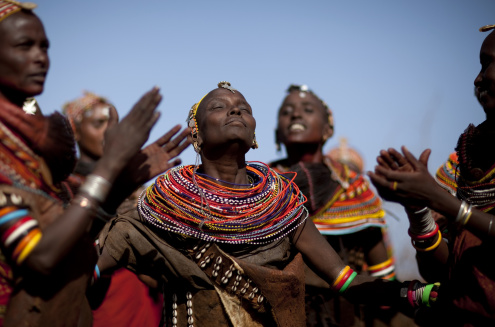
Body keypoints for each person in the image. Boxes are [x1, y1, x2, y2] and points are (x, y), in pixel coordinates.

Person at [95, 82, 439, 327]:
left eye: (243, 107)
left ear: (255, 133)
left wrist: (414, 294)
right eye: (218, 106)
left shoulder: (283, 203)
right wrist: (111, 178)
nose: (234, 108)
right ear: (195, 134)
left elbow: (345, 280)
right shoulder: (162, 202)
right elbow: (89, 267)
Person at [0, 0, 190, 326]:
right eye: (24, 46)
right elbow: (41, 258)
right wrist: (109, 167)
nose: (40, 58)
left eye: (44, 47)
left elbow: (75, 255)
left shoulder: (33, 153)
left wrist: (119, 188)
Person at [368, 19, 495, 326]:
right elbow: (440, 274)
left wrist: (444, 202)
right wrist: (418, 208)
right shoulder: (465, 159)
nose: (477, 78)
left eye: (487, 64)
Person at [271, 85, 403, 327]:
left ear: (327, 129)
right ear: (277, 133)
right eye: (287, 111)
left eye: (307, 109)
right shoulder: (259, 185)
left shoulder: (354, 188)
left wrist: (390, 301)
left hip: (344, 313)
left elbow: (381, 269)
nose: (296, 115)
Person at [63, 92, 163, 327]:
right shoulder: (67, 186)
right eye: (98, 124)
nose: (108, 131)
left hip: (146, 304)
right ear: (75, 131)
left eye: (112, 124)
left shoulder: (133, 182)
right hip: (102, 305)